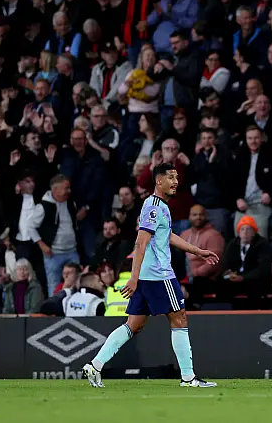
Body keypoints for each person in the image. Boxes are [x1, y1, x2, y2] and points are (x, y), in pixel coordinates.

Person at [82, 163, 219, 388]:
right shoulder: (154, 207)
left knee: (134, 325)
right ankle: (188, 378)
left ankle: (95, 365)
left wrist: (197, 251)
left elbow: (168, 236)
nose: (175, 182)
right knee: (179, 318)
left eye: (176, 178)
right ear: (159, 181)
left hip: (148, 275)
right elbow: (141, 242)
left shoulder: (157, 206)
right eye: (171, 178)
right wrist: (133, 279)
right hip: (159, 275)